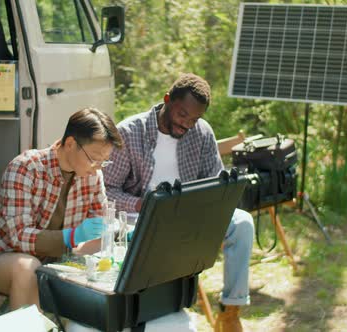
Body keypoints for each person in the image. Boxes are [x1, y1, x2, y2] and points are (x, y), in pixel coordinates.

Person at [103, 73, 254, 332]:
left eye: (194, 119)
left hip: (190, 212)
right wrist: (141, 205)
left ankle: (230, 311)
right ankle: (160, 310)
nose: (187, 124)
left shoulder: (202, 133)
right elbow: (106, 190)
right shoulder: (129, 132)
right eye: (183, 115)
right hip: (142, 216)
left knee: (243, 223)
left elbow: (214, 183)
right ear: (167, 100)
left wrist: (217, 197)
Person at [0, 107, 124, 311]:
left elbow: (97, 234)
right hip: (1, 255)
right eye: (94, 159)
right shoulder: (25, 168)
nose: (98, 167)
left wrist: (118, 234)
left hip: (56, 259)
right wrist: (71, 237)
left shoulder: (92, 176)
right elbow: (19, 237)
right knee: (27, 268)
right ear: (70, 143)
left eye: (104, 161)